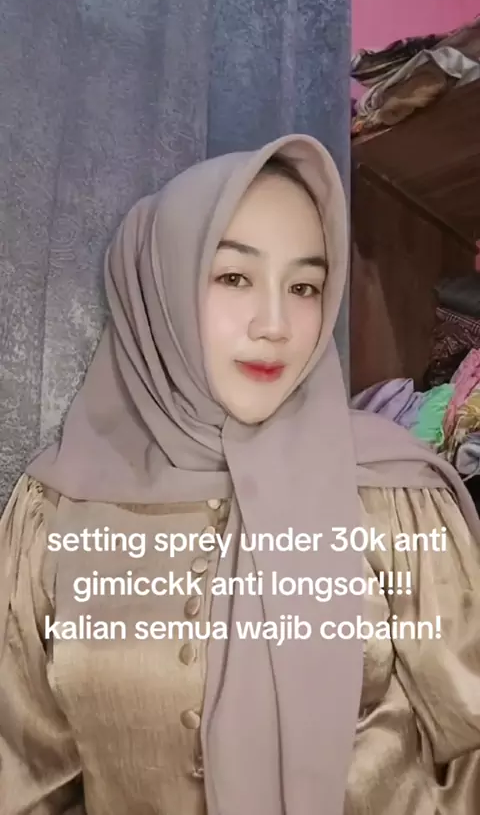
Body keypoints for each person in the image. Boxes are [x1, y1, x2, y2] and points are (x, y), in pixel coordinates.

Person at [1, 134, 480, 815]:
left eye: (305, 287)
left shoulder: (393, 494)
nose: (276, 324)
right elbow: (22, 777)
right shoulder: (53, 510)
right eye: (233, 278)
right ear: (160, 286)